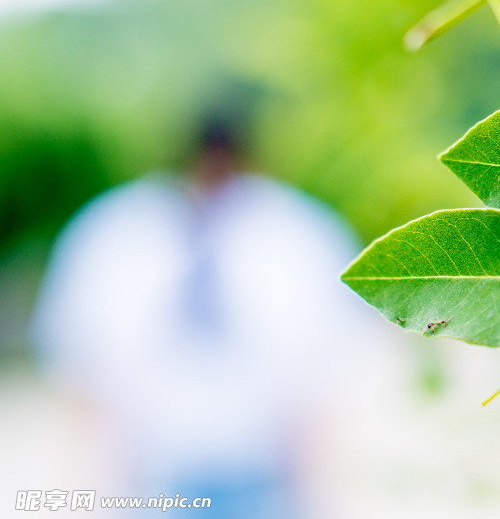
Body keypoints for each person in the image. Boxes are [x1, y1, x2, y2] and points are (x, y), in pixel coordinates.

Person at [32, 113, 364, 517]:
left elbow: (330, 375)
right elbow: (78, 366)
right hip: (152, 473)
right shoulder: (118, 230)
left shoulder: (297, 232)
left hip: (265, 474)